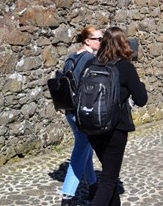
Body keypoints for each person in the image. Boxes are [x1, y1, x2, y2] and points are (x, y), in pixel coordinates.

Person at [84, 26, 148, 206]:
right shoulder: (125, 67)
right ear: (123, 44)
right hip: (115, 128)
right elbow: (141, 99)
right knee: (109, 180)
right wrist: (139, 85)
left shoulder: (91, 64)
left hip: (92, 127)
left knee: (108, 173)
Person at [60, 26, 102, 206]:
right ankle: (67, 196)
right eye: (98, 39)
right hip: (83, 113)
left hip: (70, 112)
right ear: (87, 40)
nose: (101, 41)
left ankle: (93, 185)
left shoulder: (71, 57)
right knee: (80, 151)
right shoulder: (91, 60)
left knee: (86, 148)